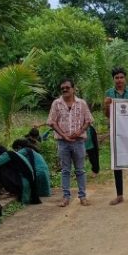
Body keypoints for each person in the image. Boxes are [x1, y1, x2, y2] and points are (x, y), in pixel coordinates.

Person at [48, 78, 93, 207]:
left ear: (73, 89)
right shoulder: (56, 104)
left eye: (67, 87)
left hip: (78, 142)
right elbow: (52, 122)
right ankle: (66, 197)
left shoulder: (82, 103)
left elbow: (88, 120)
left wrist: (79, 132)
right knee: (65, 170)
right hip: (63, 142)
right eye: (62, 88)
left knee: (80, 170)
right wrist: (64, 135)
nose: (65, 90)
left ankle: (82, 197)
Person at [103, 67, 128, 206]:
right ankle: (119, 195)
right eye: (116, 78)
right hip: (116, 133)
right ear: (113, 79)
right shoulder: (109, 93)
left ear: (125, 78)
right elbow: (107, 115)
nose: (119, 80)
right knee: (117, 163)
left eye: (121, 77)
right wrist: (106, 105)